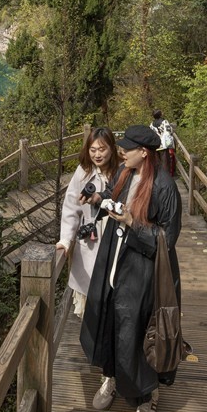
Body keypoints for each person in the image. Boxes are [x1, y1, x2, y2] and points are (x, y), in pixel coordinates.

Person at [80, 124, 181, 412]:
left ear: (144, 153)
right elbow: (113, 194)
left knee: (136, 330)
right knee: (112, 320)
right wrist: (98, 198)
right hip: (114, 261)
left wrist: (130, 223)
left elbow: (167, 239)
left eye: (128, 148)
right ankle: (111, 378)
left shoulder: (165, 186)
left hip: (143, 271)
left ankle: (146, 392)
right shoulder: (127, 173)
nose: (121, 151)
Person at [56, 127, 120, 316]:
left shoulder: (121, 171)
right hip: (91, 242)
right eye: (93, 150)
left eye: (102, 149)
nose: (97, 155)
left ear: (112, 149)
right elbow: (71, 208)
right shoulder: (83, 172)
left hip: (116, 238)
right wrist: (66, 240)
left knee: (114, 292)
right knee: (90, 299)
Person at [151, 109, 176, 178]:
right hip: (163, 145)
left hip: (156, 145)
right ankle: (166, 177)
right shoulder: (164, 122)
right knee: (165, 162)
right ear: (160, 114)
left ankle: (158, 176)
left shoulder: (152, 124)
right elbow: (168, 131)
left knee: (157, 162)